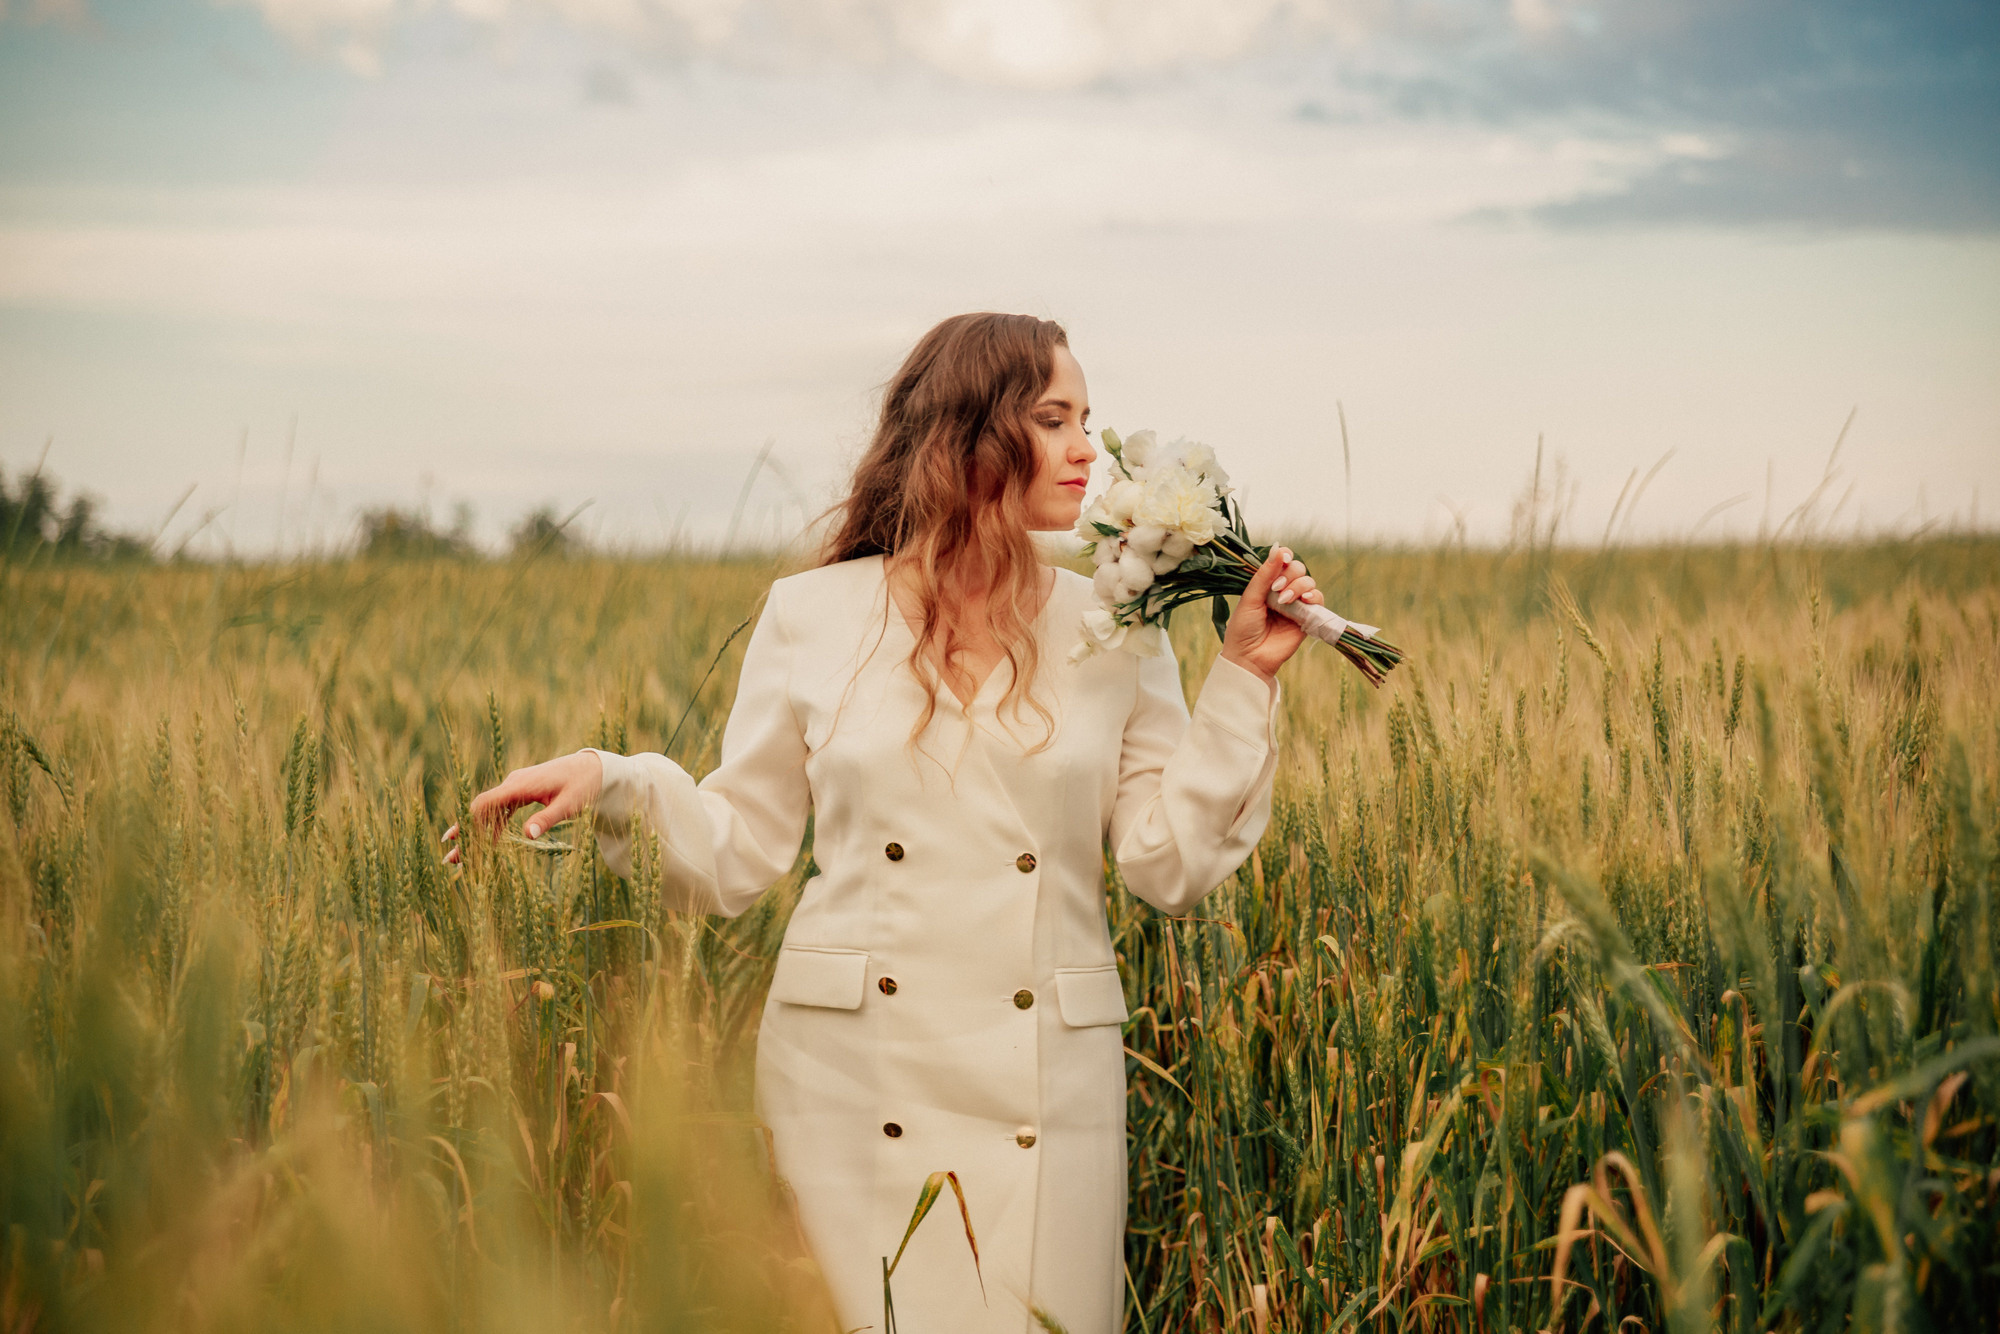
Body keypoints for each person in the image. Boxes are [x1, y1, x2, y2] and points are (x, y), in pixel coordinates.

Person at [446, 312, 1322, 1333]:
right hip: (848, 1082)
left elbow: (1166, 865)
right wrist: (616, 780)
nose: (1088, 448)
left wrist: (1243, 676)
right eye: (1054, 419)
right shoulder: (810, 615)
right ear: (968, 432)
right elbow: (736, 850)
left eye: (1088, 420)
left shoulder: (1114, 626)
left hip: (1047, 1084)